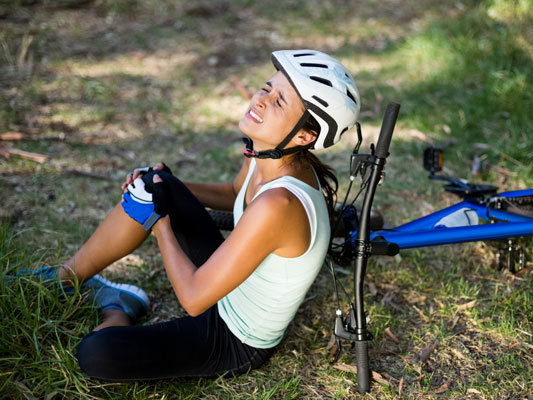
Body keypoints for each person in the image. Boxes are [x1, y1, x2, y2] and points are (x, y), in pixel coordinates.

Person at [27, 49, 360, 381]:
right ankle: (63, 278)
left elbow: (194, 299)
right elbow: (234, 193)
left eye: (279, 102)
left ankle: (118, 305)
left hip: (233, 338)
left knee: (97, 353)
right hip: (230, 285)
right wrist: (170, 186)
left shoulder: (280, 204)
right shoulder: (269, 153)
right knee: (154, 183)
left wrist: (162, 225)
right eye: (266, 88)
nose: (261, 100)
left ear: (305, 136)